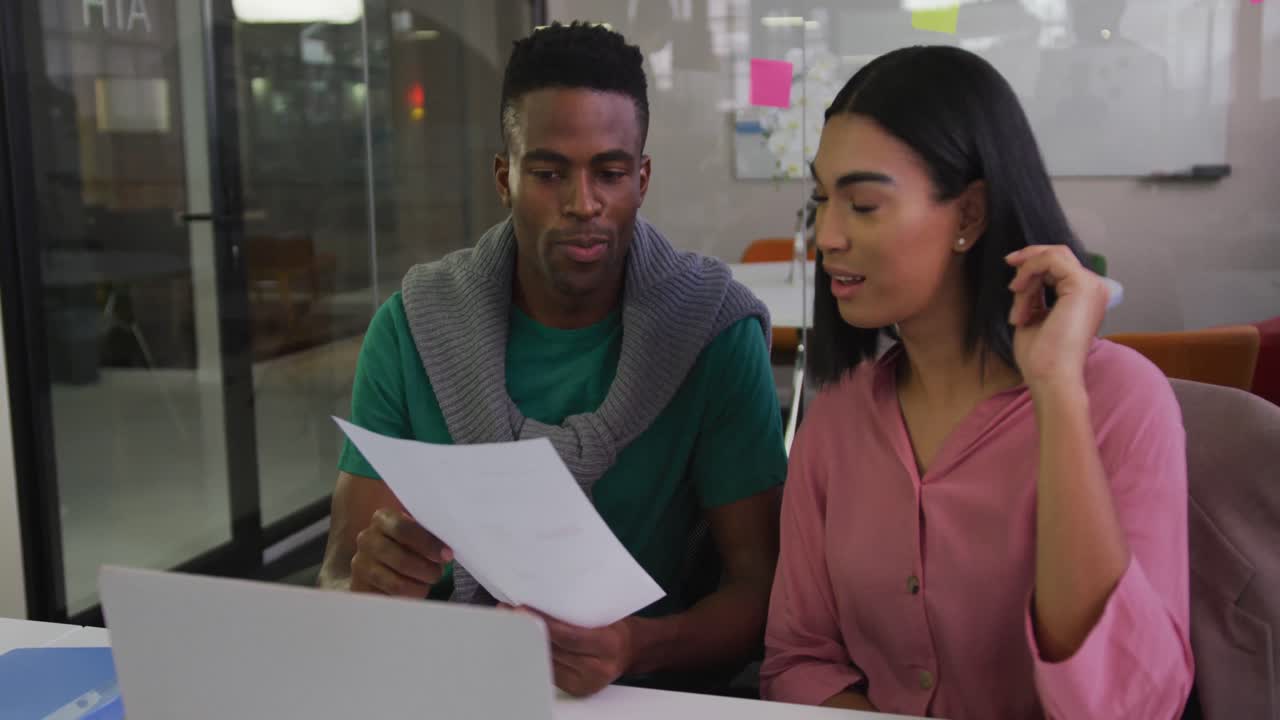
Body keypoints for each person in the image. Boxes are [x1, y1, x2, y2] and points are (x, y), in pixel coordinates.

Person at [317, 22, 786, 698]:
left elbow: (760, 591)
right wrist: (368, 586)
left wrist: (633, 646)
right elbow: (337, 573)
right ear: (504, 177)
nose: (583, 204)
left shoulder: (712, 333)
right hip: (444, 681)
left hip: (644, 694)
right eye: (549, 173)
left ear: (643, 179)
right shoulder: (413, 327)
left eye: (611, 172)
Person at [759, 46, 1193, 718]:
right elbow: (798, 660)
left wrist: (1056, 393)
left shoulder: (1120, 401)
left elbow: (1125, 705)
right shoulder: (839, 417)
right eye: (821, 199)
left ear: (968, 215)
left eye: (864, 205)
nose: (828, 236)